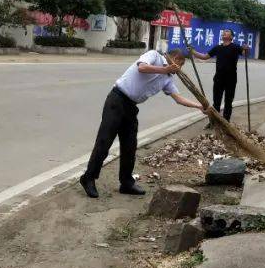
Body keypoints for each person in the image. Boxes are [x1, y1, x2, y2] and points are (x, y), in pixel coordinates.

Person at [80, 47, 203, 198]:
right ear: (175, 58)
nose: (180, 68)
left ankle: (126, 182)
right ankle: (89, 178)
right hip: (117, 99)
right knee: (104, 141)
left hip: (131, 107)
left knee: (130, 145)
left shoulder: (168, 78)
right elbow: (142, 68)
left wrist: (199, 106)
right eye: (181, 63)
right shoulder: (154, 56)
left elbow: (178, 98)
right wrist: (164, 70)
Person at [191, 29, 247, 121]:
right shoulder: (217, 48)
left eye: (227, 32)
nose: (224, 33)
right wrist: (193, 51)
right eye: (224, 32)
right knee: (216, 102)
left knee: (228, 102)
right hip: (218, 79)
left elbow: (245, 54)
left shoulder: (236, 47)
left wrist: (246, 49)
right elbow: (205, 57)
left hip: (231, 79)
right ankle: (214, 121)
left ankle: (226, 122)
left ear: (231, 37)